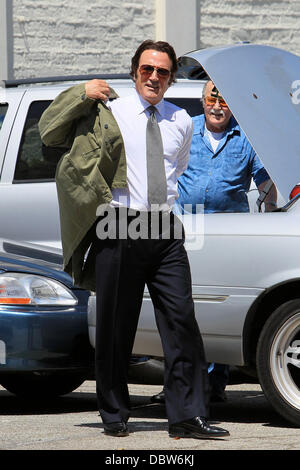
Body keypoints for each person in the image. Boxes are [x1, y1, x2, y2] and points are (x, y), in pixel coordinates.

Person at [39, 40, 229, 440]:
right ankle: (114, 412)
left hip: (164, 228)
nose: (154, 77)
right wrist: (80, 93)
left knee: (181, 323)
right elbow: (50, 130)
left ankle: (187, 415)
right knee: (115, 325)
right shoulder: (111, 112)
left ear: (171, 77)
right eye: (147, 69)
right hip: (119, 223)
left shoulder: (182, 120)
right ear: (134, 71)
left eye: (163, 71)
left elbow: (176, 170)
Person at [151, 79, 277, 405]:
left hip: (227, 236)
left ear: (232, 104)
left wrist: (274, 203)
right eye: (212, 99)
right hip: (185, 229)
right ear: (203, 101)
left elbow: (265, 182)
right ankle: (178, 382)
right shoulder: (186, 128)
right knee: (178, 306)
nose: (217, 107)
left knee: (220, 306)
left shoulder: (246, 137)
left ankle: (215, 384)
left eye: (224, 101)